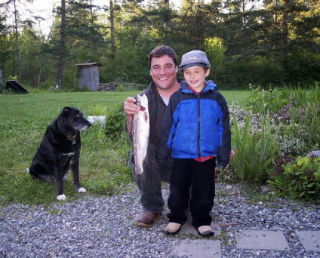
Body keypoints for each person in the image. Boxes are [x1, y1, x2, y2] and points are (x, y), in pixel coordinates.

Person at [157, 50, 231, 237]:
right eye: (188, 73)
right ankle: (176, 218)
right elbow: (168, 128)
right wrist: (162, 153)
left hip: (206, 155)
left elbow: (223, 128)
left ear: (206, 72)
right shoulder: (178, 98)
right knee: (177, 189)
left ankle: (202, 220)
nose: (192, 77)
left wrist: (223, 153)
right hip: (182, 155)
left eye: (197, 72)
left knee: (204, 189)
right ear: (182, 74)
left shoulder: (217, 98)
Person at [123, 45, 180, 227]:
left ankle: (185, 200)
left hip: (186, 161)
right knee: (139, 153)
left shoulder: (192, 93)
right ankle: (152, 206)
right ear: (150, 71)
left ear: (176, 68)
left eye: (167, 66)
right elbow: (135, 139)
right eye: (156, 67)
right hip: (156, 162)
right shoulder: (142, 99)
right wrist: (130, 117)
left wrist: (222, 146)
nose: (162, 72)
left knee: (189, 210)